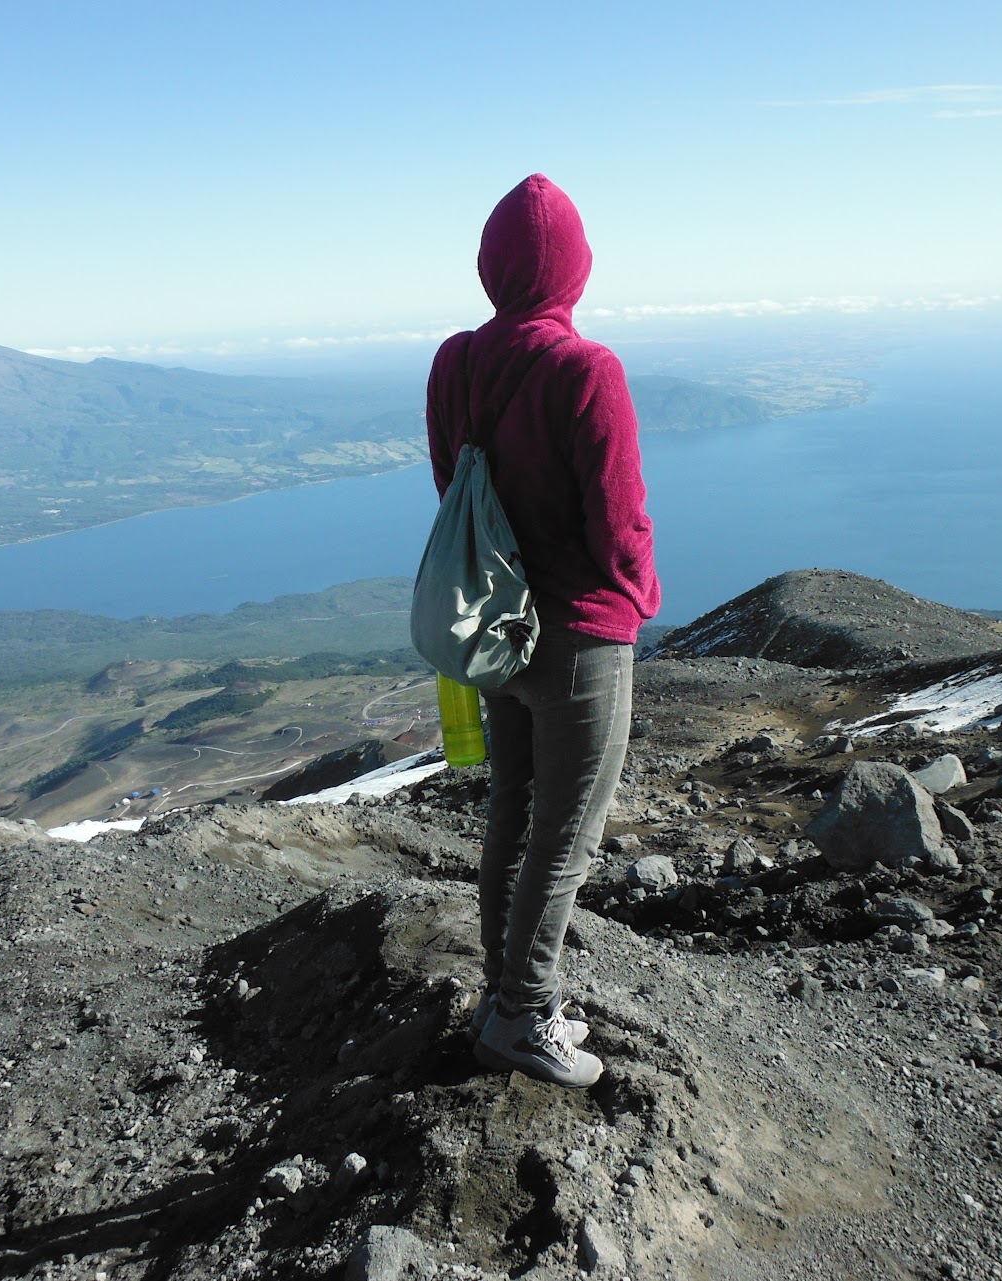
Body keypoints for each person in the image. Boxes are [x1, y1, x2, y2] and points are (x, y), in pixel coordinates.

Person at [425, 174, 660, 1087]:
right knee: (567, 834)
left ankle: (507, 994)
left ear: (491, 265)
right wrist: (638, 592)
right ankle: (523, 1016)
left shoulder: (454, 363)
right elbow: (618, 518)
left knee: (512, 813)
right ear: (576, 266)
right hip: (580, 639)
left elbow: (455, 486)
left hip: (496, 628)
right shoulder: (586, 369)